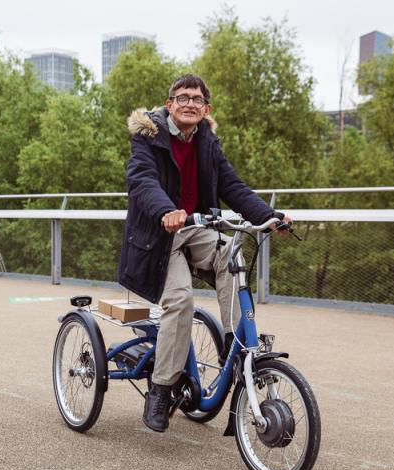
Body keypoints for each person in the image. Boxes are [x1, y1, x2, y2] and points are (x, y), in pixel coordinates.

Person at [116, 74, 291, 433]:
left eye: (197, 99)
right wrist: (167, 210)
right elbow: (141, 180)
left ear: (206, 108)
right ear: (170, 105)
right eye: (182, 98)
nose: (190, 103)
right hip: (159, 237)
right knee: (180, 300)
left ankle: (233, 344)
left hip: (197, 229)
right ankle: (161, 389)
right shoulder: (148, 137)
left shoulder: (207, 141)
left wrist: (268, 216)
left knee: (233, 254)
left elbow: (232, 185)